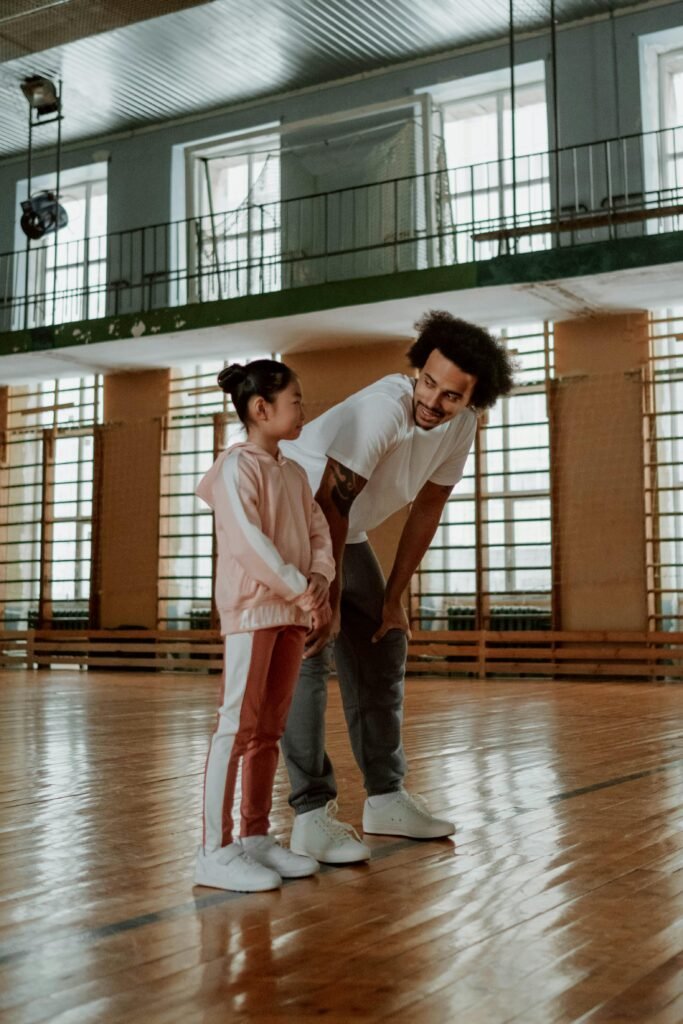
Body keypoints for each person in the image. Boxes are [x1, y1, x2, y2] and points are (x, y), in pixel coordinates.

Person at [280, 311, 515, 864]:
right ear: (418, 369)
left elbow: (427, 508)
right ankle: (312, 813)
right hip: (293, 516)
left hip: (343, 525)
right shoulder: (387, 406)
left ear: (474, 400)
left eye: (451, 395)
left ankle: (385, 798)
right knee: (312, 648)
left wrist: (393, 599)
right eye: (428, 382)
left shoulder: (462, 427)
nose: (432, 400)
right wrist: (329, 600)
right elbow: (329, 504)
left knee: (385, 641)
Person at [193, 359, 335, 892]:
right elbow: (251, 546)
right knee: (237, 726)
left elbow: (319, 533)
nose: (303, 408)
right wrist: (303, 588)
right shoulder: (235, 468)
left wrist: (319, 580)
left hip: (292, 614)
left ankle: (254, 836)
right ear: (261, 408)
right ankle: (214, 849)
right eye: (295, 399)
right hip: (255, 613)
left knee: (269, 731)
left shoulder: (294, 473)